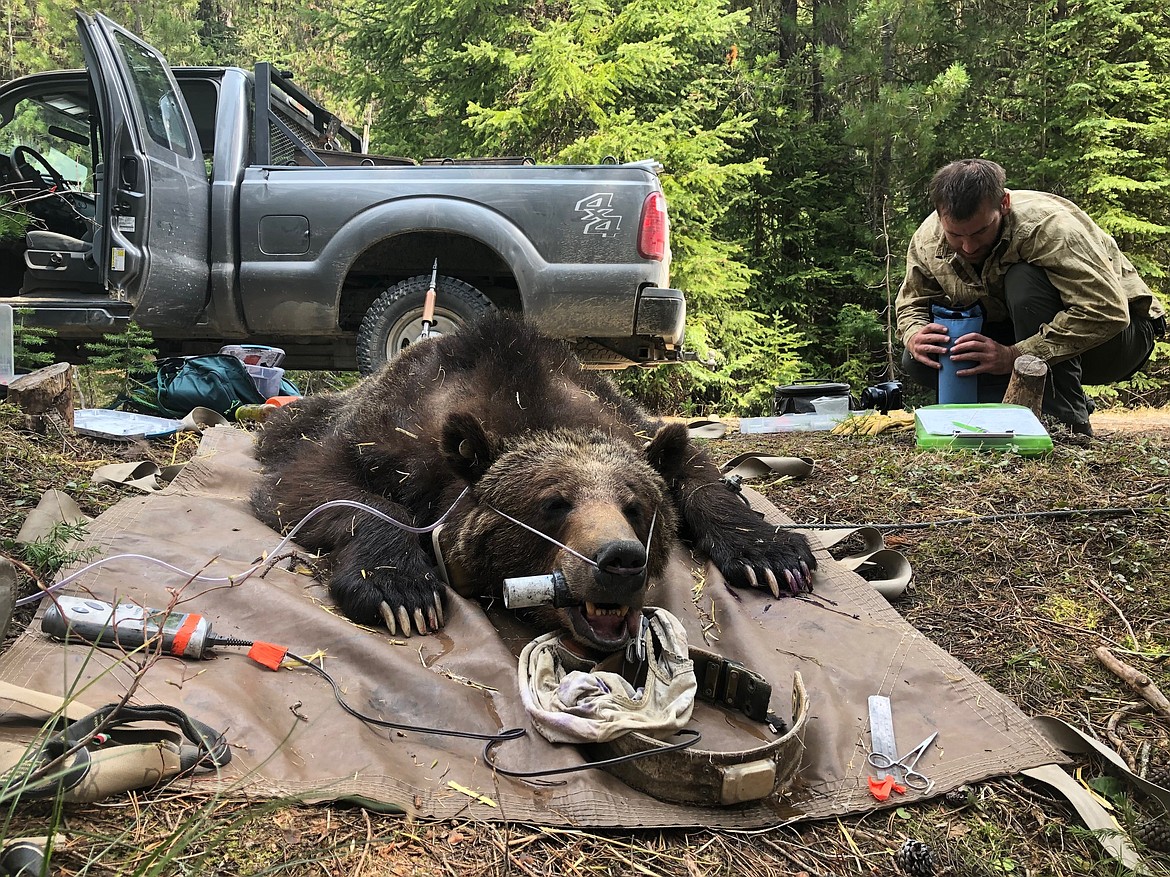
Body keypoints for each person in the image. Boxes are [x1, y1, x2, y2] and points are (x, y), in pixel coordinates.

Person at [896, 158, 1165, 436]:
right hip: (1025, 332)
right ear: (940, 216)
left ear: (1004, 204)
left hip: (1121, 340)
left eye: (980, 231)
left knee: (1023, 282)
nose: (968, 245)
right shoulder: (928, 239)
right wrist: (915, 334)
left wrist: (1015, 354)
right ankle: (1023, 408)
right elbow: (912, 303)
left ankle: (1064, 421)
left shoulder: (1048, 227)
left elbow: (1107, 312)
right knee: (920, 359)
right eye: (955, 235)